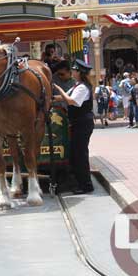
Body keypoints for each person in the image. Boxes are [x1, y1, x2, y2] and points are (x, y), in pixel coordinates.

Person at [53, 59, 95, 195]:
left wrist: (59, 88)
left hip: (83, 123)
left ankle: (86, 185)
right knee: (75, 153)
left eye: (75, 71)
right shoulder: (77, 85)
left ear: (79, 72)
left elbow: (72, 101)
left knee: (80, 154)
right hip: (77, 122)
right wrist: (51, 98)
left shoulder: (83, 87)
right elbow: (64, 97)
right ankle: (79, 182)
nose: (73, 73)